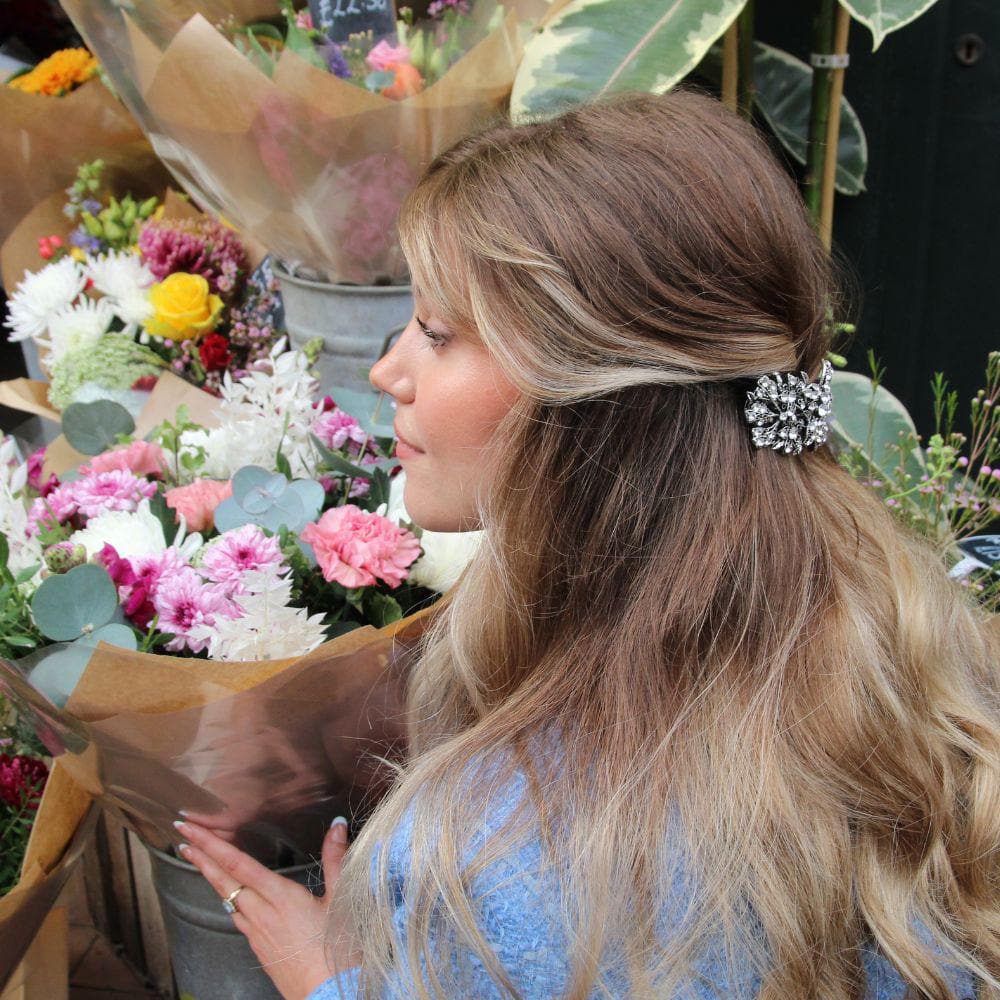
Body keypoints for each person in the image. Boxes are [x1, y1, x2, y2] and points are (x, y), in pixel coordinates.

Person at [175, 90, 1000, 999]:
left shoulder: (512, 861)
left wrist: (333, 980)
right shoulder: (915, 639)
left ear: (599, 402)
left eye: (439, 333)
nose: (386, 370)